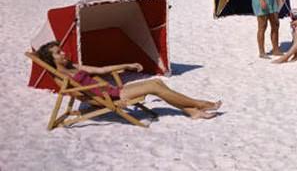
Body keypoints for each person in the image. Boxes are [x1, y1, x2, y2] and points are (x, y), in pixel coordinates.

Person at [37, 41, 222, 119]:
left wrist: (127, 65)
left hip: (110, 91)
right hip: (110, 96)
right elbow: (82, 97)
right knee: (154, 86)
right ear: (51, 59)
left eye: (60, 50)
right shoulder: (61, 78)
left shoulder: (73, 66)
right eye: (58, 53)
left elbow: (100, 70)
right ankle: (201, 104)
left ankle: (192, 110)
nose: (63, 53)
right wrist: (106, 104)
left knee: (157, 83)